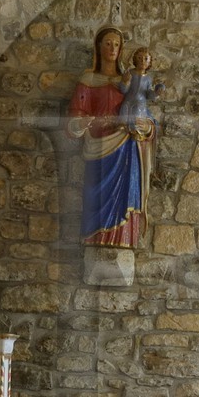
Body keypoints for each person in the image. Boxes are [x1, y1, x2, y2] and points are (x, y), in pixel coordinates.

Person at [67, 26, 156, 248]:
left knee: (125, 198)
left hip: (126, 147)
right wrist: (81, 123)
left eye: (116, 44)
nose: (112, 49)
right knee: (95, 198)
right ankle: (95, 242)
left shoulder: (128, 79)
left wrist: (147, 127)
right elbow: (76, 115)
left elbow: (145, 110)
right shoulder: (88, 80)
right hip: (98, 149)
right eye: (107, 43)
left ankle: (124, 243)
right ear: (98, 47)